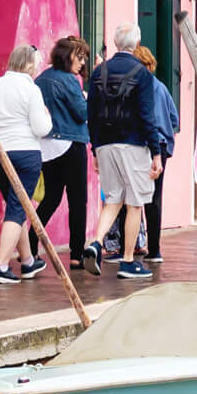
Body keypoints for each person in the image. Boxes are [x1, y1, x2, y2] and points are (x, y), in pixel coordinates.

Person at [87, 23, 167, 281]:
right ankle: (129, 260)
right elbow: (147, 116)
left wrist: (95, 150)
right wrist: (155, 153)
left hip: (105, 144)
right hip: (133, 143)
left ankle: (96, 242)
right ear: (137, 42)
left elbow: (92, 115)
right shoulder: (143, 75)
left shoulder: (98, 72)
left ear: (115, 41)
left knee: (113, 199)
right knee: (135, 203)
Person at [0, 43, 52, 285]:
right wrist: (47, 116)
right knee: (17, 209)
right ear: (29, 65)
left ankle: (28, 261)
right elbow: (41, 128)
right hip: (26, 154)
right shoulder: (31, 89)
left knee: (15, 206)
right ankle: (1, 267)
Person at [33, 35, 92, 269]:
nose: (83, 63)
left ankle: (30, 241)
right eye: (80, 57)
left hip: (47, 146)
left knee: (51, 198)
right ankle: (77, 254)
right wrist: (88, 99)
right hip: (71, 143)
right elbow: (81, 113)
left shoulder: (40, 79)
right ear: (68, 57)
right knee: (78, 200)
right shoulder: (69, 80)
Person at [136, 44, 181, 265]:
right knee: (154, 198)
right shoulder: (161, 87)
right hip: (161, 146)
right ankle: (154, 249)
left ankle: (137, 246)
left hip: (143, 145)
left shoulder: (139, 88)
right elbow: (175, 119)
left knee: (135, 196)